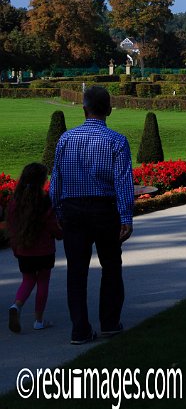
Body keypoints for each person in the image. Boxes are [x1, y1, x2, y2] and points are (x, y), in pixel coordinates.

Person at [50, 86, 135, 344]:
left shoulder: (65, 139)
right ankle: (109, 322)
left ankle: (80, 330)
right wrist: (126, 217)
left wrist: (56, 212)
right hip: (104, 210)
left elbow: (56, 182)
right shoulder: (117, 141)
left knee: (76, 271)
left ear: (83, 109)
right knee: (111, 266)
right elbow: (123, 183)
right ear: (109, 109)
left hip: (73, 211)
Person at [7, 163, 62, 333]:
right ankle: (39, 320)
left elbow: (12, 227)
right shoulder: (45, 202)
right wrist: (62, 234)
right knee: (43, 282)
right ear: (42, 181)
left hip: (24, 249)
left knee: (28, 280)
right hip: (44, 250)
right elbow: (53, 226)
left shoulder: (15, 202)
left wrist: (16, 248)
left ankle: (17, 305)